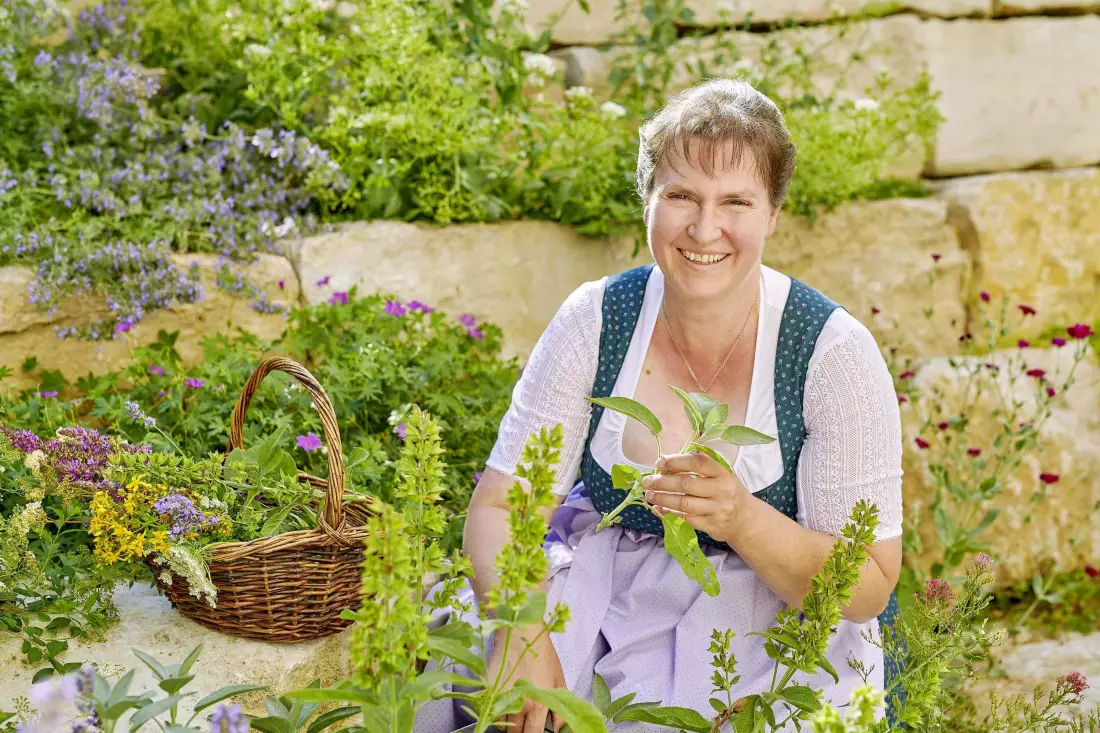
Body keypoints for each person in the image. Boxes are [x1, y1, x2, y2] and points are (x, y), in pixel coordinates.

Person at [417, 78, 903, 733]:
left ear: (772, 214)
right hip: (598, 588)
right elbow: (503, 505)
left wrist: (741, 519)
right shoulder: (597, 318)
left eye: (736, 201)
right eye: (680, 196)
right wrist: (521, 631)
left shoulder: (829, 352)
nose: (704, 228)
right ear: (647, 198)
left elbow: (869, 581)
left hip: (764, 624)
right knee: (481, 683)